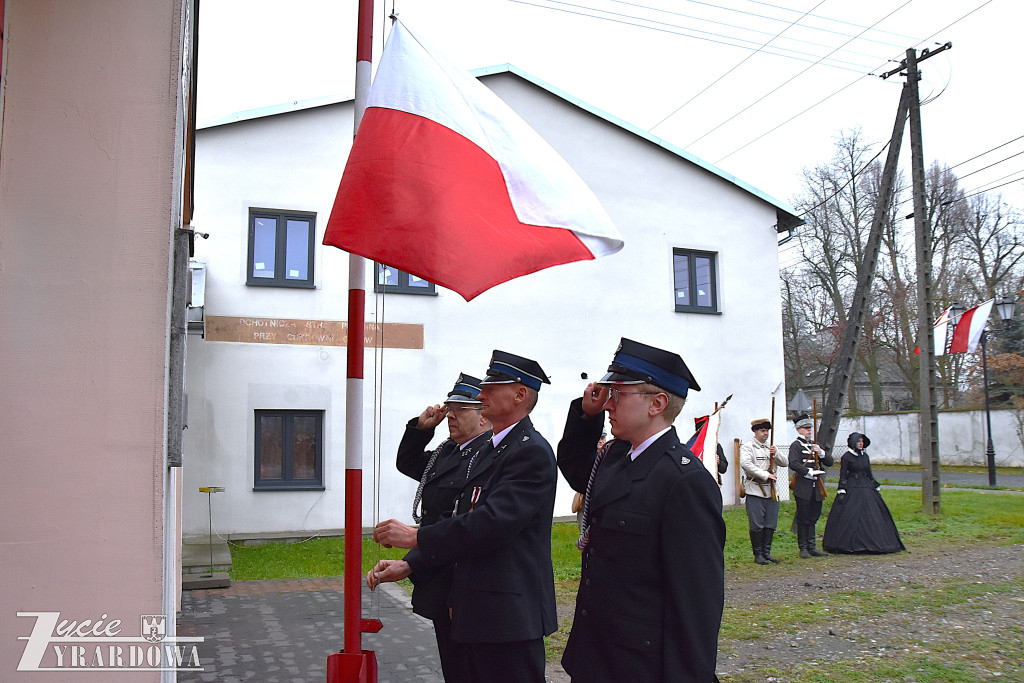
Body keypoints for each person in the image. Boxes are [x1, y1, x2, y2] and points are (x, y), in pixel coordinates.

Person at [368, 351, 558, 683]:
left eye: (493, 386)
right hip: (475, 606)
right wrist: (415, 562)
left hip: (507, 614)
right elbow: (456, 514)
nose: (482, 393)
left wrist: (416, 537)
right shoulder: (489, 449)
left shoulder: (530, 451)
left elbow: (491, 523)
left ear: (520, 394)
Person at [557, 338, 725, 682]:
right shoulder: (616, 457)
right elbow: (576, 467)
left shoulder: (684, 481)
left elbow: (697, 604)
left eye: (618, 394)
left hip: (640, 666)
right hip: (595, 654)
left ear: (657, 403)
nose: (608, 404)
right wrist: (586, 416)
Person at [393, 373, 492, 682]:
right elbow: (408, 463)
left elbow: (463, 525)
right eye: (449, 407)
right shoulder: (447, 451)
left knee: (475, 667)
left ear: (483, 415)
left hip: (464, 580)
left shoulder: (488, 456)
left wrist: (411, 558)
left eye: (460, 409)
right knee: (453, 665)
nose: (450, 415)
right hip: (439, 577)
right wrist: (422, 428)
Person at [822, 433, 905, 554]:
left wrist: (874, 484)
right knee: (850, 514)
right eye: (858, 441)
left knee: (872, 513)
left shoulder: (865, 456)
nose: (861, 443)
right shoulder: (847, 457)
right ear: (853, 442)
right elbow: (843, 474)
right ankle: (847, 544)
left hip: (867, 486)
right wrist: (842, 489)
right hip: (852, 487)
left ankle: (876, 542)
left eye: (862, 441)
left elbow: (869, 473)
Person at [739, 418, 788, 564]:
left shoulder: (771, 447)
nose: (765, 433)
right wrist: (766, 475)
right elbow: (746, 464)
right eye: (762, 431)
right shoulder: (748, 447)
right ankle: (758, 554)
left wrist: (777, 453)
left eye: (767, 431)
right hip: (755, 489)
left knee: (770, 523)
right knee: (757, 524)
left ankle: (767, 553)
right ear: (755, 431)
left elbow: (785, 463)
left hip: (771, 490)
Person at [787, 413, 833, 558]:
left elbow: (830, 462)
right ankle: (803, 548)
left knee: (814, 516)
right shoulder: (796, 445)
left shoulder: (815, 445)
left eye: (809, 428)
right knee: (803, 517)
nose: (809, 430)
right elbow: (793, 463)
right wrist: (808, 471)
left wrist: (822, 453)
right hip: (803, 486)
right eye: (806, 428)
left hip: (816, 487)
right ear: (799, 430)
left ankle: (812, 547)